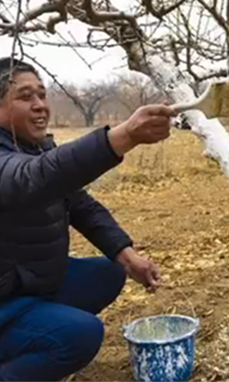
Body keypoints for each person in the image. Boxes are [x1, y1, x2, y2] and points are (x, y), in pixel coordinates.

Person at [0, 57, 176, 382]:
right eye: (25, 97)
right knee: (81, 335)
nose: (40, 105)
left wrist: (128, 256)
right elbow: (31, 179)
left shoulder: (33, 148)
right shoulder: (16, 160)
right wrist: (123, 136)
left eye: (42, 94)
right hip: (6, 299)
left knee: (109, 272)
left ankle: (37, 331)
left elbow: (80, 205)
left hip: (25, 283)